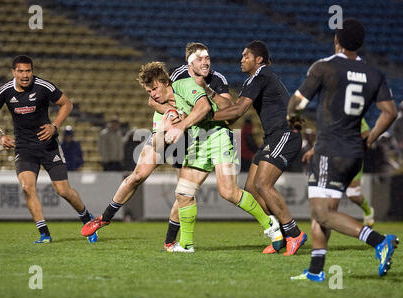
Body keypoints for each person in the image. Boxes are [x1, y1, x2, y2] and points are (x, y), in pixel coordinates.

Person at [82, 61, 282, 252]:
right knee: (183, 192)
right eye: (149, 92)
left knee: (228, 192)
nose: (153, 96)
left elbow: (204, 108)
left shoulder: (185, 85)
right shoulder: (162, 112)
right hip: (199, 141)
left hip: (218, 135)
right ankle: (184, 245)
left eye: (155, 89)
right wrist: (162, 130)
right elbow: (158, 147)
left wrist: (179, 126)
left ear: (166, 82)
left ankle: (270, 225)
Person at [288, 18, 398, 281]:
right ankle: (315, 271)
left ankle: (379, 241)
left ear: (336, 40)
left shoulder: (325, 68)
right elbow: (390, 112)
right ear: (360, 44)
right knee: (325, 210)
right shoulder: (375, 73)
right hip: (355, 154)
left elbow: (296, 104)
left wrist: (293, 121)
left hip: (330, 150)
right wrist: (371, 137)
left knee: (322, 213)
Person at [199, 40, 307, 255]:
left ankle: (294, 233)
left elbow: (238, 110)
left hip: (285, 133)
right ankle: (283, 235)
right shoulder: (255, 79)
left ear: (258, 59)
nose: (241, 59)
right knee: (251, 188)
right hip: (272, 136)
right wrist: (211, 97)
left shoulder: (262, 75)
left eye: (246, 56)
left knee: (263, 184)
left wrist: (203, 117)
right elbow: (235, 113)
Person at [0, 55, 97, 244]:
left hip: (48, 145)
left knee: (63, 191)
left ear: (32, 71)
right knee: (27, 187)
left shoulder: (43, 86)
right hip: (24, 147)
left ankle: (88, 219)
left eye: (28, 71)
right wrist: (0, 135)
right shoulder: (4, 91)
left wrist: (54, 126)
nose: (25, 75)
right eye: (20, 71)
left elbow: (67, 104)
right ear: (14, 72)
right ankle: (44, 233)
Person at [160, 42, 234, 250]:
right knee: (183, 193)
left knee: (195, 192)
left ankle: (175, 242)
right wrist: (173, 119)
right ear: (190, 61)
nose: (205, 62)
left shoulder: (217, 79)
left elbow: (230, 110)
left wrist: (208, 93)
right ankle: (174, 241)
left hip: (212, 136)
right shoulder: (178, 75)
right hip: (186, 137)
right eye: (200, 59)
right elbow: (163, 100)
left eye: (207, 58)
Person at [302, 118, 375, 226]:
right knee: (328, 195)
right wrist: (313, 150)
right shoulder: (330, 111)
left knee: (353, 194)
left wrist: (357, 149)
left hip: (352, 157)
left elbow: (366, 134)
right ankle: (323, 224)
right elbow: (325, 134)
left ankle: (367, 210)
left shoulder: (354, 113)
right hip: (332, 158)